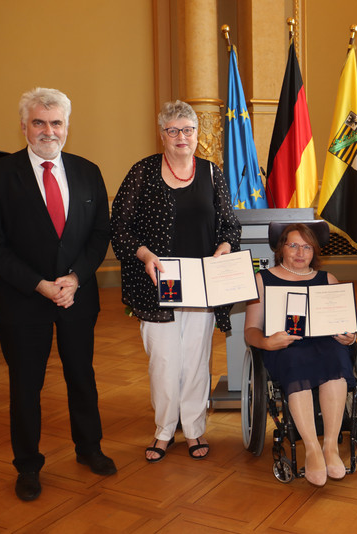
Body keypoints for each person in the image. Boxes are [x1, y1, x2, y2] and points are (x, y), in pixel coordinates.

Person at [0, 87, 115, 502]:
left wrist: (75, 277)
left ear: (67, 127)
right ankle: (28, 465)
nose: (48, 131)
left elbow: (99, 234)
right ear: (23, 126)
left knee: (82, 377)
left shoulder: (88, 171)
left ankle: (89, 448)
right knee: (26, 385)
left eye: (56, 123)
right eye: (39, 122)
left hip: (77, 296)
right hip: (23, 301)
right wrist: (39, 284)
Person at [110, 100, 241, 463]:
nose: (182, 137)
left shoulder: (212, 173)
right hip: (157, 286)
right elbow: (119, 227)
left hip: (200, 286)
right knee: (164, 363)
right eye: (173, 130)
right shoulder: (143, 172)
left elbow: (230, 225)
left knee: (196, 361)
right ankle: (165, 431)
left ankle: (195, 429)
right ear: (162, 135)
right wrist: (146, 255)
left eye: (188, 130)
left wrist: (224, 249)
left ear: (197, 134)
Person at [243, 223, 357, 487]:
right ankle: (312, 448)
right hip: (284, 347)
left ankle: (329, 445)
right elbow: (250, 330)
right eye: (292, 245)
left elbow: (347, 325)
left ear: (314, 251)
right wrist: (267, 343)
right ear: (280, 248)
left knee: (338, 357)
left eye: (306, 246)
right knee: (295, 362)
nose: (300, 252)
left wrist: (350, 336)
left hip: (325, 344)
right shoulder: (263, 279)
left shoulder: (327, 279)